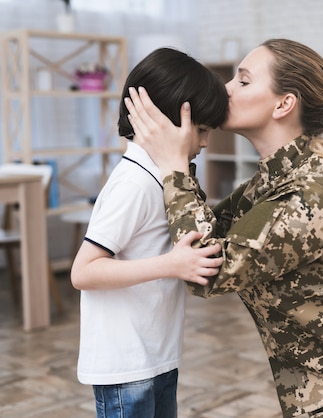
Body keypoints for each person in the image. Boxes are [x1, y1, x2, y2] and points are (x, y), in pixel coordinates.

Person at [125, 38, 323, 417]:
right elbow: (202, 233)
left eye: (242, 82)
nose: (224, 88)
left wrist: (174, 167)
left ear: (283, 103)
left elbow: (208, 271)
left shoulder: (316, 191)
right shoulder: (267, 184)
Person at [70, 48, 227, 418]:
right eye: (201, 130)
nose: (204, 143)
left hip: (156, 356)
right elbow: (84, 271)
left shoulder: (163, 176)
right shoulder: (134, 184)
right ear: (169, 120)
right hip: (128, 366)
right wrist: (171, 264)